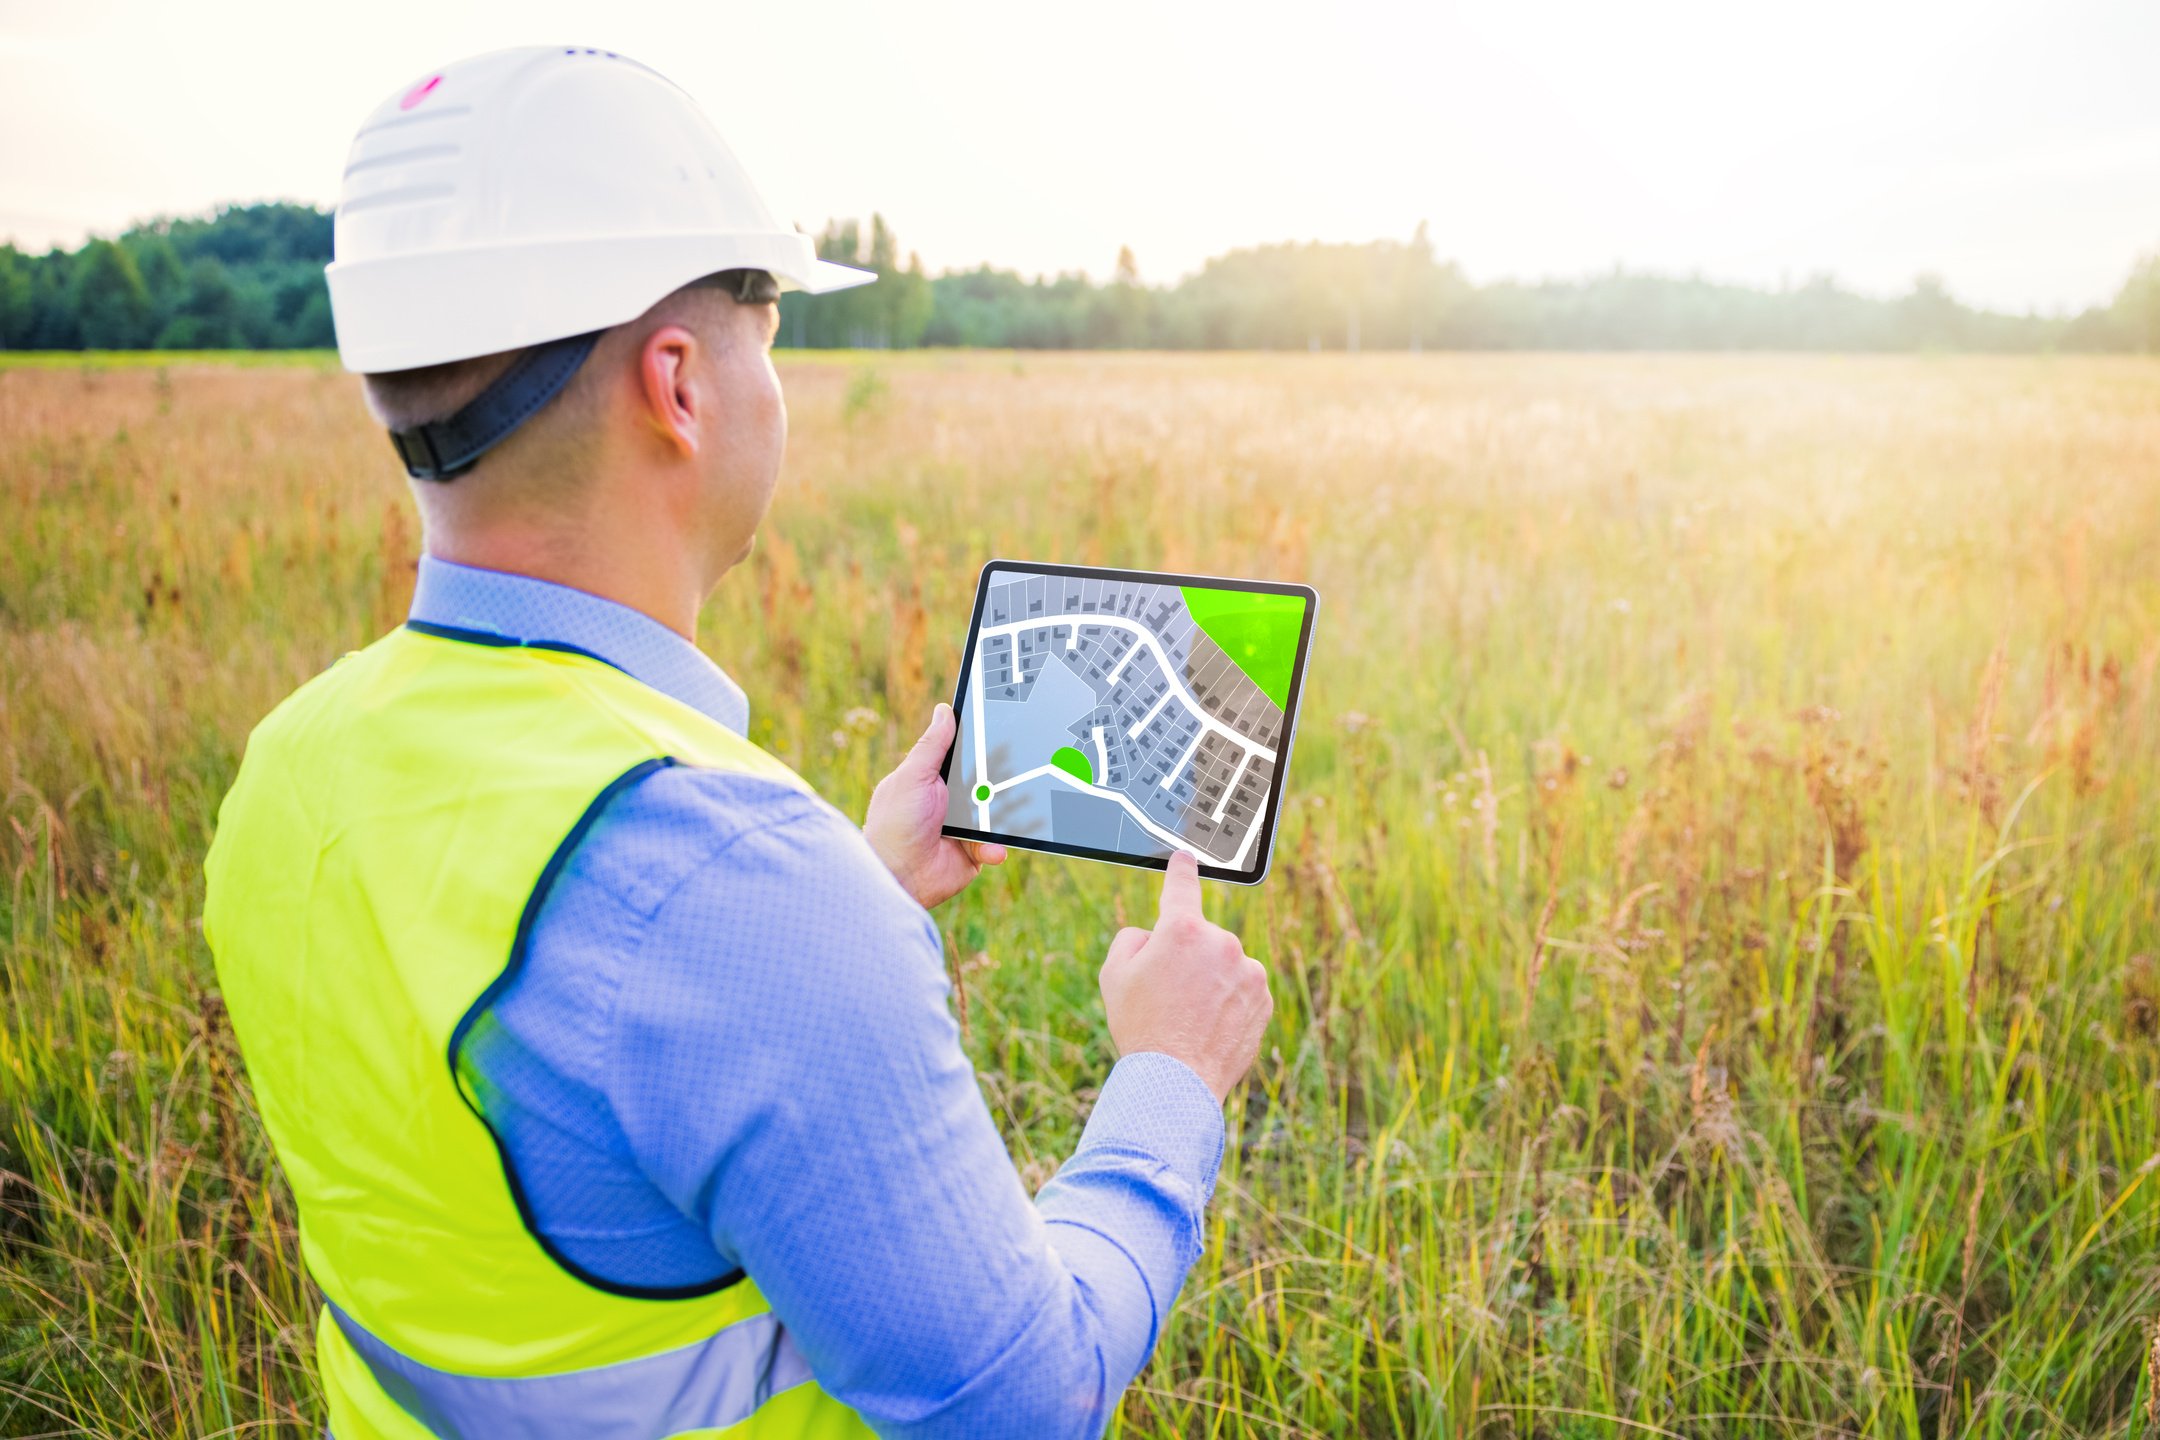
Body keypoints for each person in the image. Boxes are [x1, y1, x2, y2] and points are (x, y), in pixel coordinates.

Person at [201, 45, 1272, 1440]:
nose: (778, 384)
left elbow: (547, 1120)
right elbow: (1019, 1399)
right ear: (679, 386)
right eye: (767, 332)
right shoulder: (735, 891)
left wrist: (856, 890)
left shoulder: (291, 771)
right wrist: (1171, 1082)